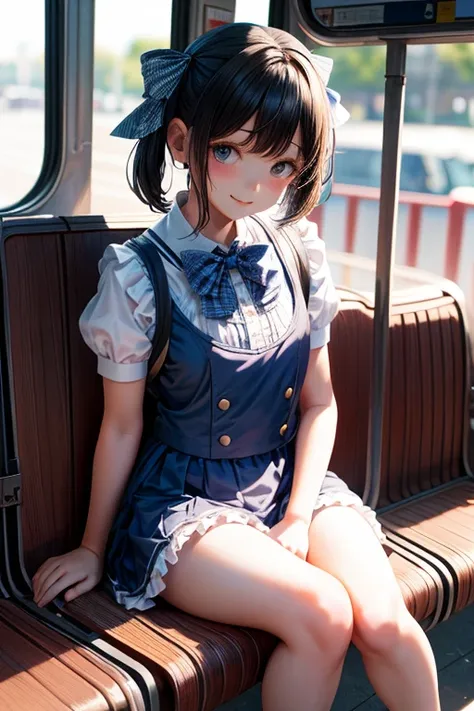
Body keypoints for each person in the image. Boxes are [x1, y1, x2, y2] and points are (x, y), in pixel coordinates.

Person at [32, 23, 441, 711]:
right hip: (185, 505)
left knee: (383, 618)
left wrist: (302, 515)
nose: (258, 185)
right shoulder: (138, 278)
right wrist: (91, 548)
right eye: (232, 153)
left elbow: (320, 403)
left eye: (281, 165)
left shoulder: (298, 255)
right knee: (322, 614)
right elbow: (123, 429)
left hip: (286, 478)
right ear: (184, 141)